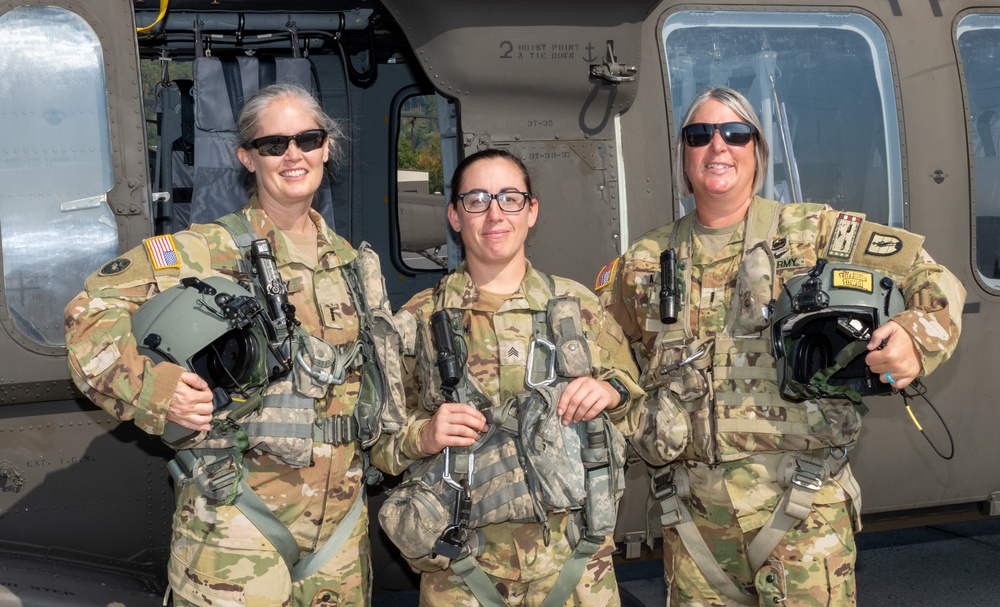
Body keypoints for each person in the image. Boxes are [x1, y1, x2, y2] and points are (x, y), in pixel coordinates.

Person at [597, 87, 965, 606]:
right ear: (684, 154)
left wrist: (912, 337)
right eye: (699, 135)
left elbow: (934, 279)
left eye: (736, 133)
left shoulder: (813, 231)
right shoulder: (644, 262)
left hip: (803, 514)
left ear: (757, 150)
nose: (717, 147)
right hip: (692, 524)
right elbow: (601, 355)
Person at [64, 83, 396, 606]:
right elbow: (89, 313)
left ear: (326, 148)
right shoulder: (203, 250)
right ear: (247, 157)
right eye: (274, 144)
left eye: (308, 139)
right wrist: (158, 390)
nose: (294, 155)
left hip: (340, 529)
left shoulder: (353, 264)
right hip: (237, 518)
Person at [370, 148, 644, 607]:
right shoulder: (419, 320)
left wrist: (609, 392)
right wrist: (424, 435)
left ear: (531, 210)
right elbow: (380, 445)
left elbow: (633, 396)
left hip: (576, 565)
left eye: (509, 198)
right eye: (476, 200)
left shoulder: (577, 308)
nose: (494, 213)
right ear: (455, 217)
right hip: (462, 571)